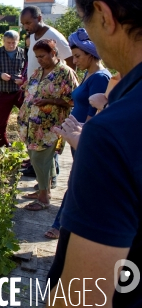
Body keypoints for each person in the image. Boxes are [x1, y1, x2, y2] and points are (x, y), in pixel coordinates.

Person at [47, 0, 142, 307]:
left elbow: (81, 297)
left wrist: (93, 150)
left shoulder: (114, 133)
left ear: (104, 15)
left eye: (86, 22)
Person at [44, 28, 110, 239]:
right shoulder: (88, 73)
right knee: (76, 180)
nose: (74, 59)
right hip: (77, 135)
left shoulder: (100, 77)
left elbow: (94, 112)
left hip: (83, 137)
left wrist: (83, 138)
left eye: (79, 56)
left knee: (76, 181)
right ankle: (65, 224)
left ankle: (62, 225)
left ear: (91, 54)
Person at [17, 39, 78, 211]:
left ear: (53, 53)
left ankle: (44, 199)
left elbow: (73, 99)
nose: (39, 60)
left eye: (42, 56)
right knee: (41, 160)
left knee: (39, 159)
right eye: (37, 57)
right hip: (31, 125)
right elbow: (29, 89)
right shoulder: (38, 71)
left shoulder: (65, 73)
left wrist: (49, 100)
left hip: (50, 125)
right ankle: (43, 190)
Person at [0, 30, 26, 147]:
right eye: (8, 43)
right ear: (3, 41)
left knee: (29, 115)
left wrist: (23, 79)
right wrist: (0, 75)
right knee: (1, 121)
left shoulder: (23, 54)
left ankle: (30, 142)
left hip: (19, 92)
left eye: (14, 42)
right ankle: (1, 144)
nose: (11, 45)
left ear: (18, 41)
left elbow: (29, 72)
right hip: (2, 92)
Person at [20, 5, 73, 78]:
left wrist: (64, 84)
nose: (25, 27)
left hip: (50, 88)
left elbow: (71, 62)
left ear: (39, 18)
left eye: (28, 23)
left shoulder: (54, 36)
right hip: (34, 87)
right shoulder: (32, 34)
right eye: (23, 24)